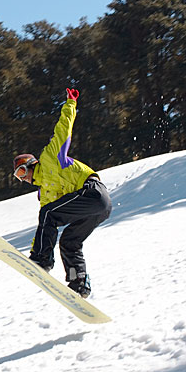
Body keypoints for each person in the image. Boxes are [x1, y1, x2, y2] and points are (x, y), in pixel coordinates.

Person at [13, 87, 112, 298]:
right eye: (18, 177)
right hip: (97, 209)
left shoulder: (50, 157)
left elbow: (63, 130)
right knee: (69, 242)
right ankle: (79, 283)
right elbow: (44, 228)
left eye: (22, 171)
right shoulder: (45, 194)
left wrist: (70, 104)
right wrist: (32, 250)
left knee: (49, 213)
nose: (23, 178)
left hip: (93, 192)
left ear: (31, 165)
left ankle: (42, 260)